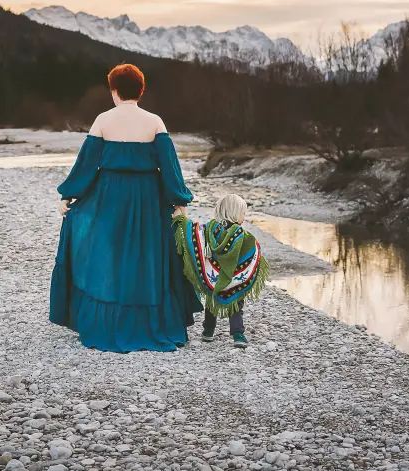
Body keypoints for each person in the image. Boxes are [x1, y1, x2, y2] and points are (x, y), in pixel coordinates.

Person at [50, 64, 203, 352]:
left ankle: (109, 321)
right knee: (146, 257)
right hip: (148, 196)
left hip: (110, 195)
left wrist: (68, 195)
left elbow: (86, 164)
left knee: (109, 255)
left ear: (114, 90)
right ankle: (150, 320)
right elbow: (170, 167)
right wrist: (179, 201)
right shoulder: (155, 121)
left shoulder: (103, 120)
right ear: (140, 90)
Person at [176, 193, 269, 348]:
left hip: (214, 277)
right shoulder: (243, 236)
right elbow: (251, 249)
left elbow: (195, 236)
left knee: (212, 301)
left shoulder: (211, 230)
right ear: (234, 213)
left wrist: (182, 221)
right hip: (233, 278)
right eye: (243, 214)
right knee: (236, 302)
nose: (244, 217)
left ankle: (208, 331)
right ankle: (238, 334)